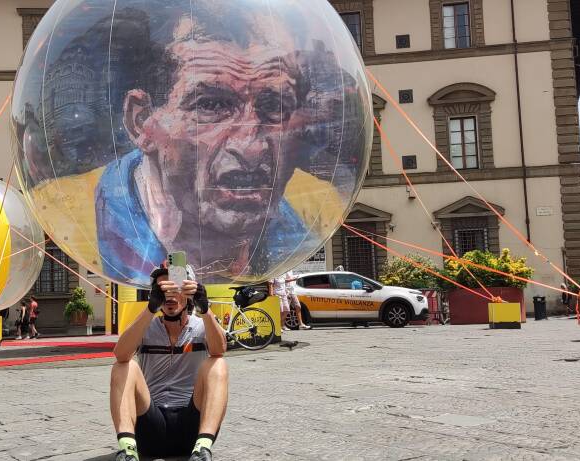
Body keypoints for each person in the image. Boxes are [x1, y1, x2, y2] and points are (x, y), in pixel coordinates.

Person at [29, 2, 352, 286]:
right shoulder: (69, 208)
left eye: (275, 107)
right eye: (211, 106)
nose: (250, 146)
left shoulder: (317, 207)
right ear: (141, 122)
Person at [110, 267, 227, 461]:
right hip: (151, 427)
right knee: (124, 366)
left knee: (218, 364)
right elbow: (120, 354)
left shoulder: (201, 325)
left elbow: (219, 350)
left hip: (191, 426)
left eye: (176, 288)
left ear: (189, 293)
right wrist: (150, 308)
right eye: (164, 290)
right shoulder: (145, 325)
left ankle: (203, 448)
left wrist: (205, 310)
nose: (170, 295)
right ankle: (128, 450)